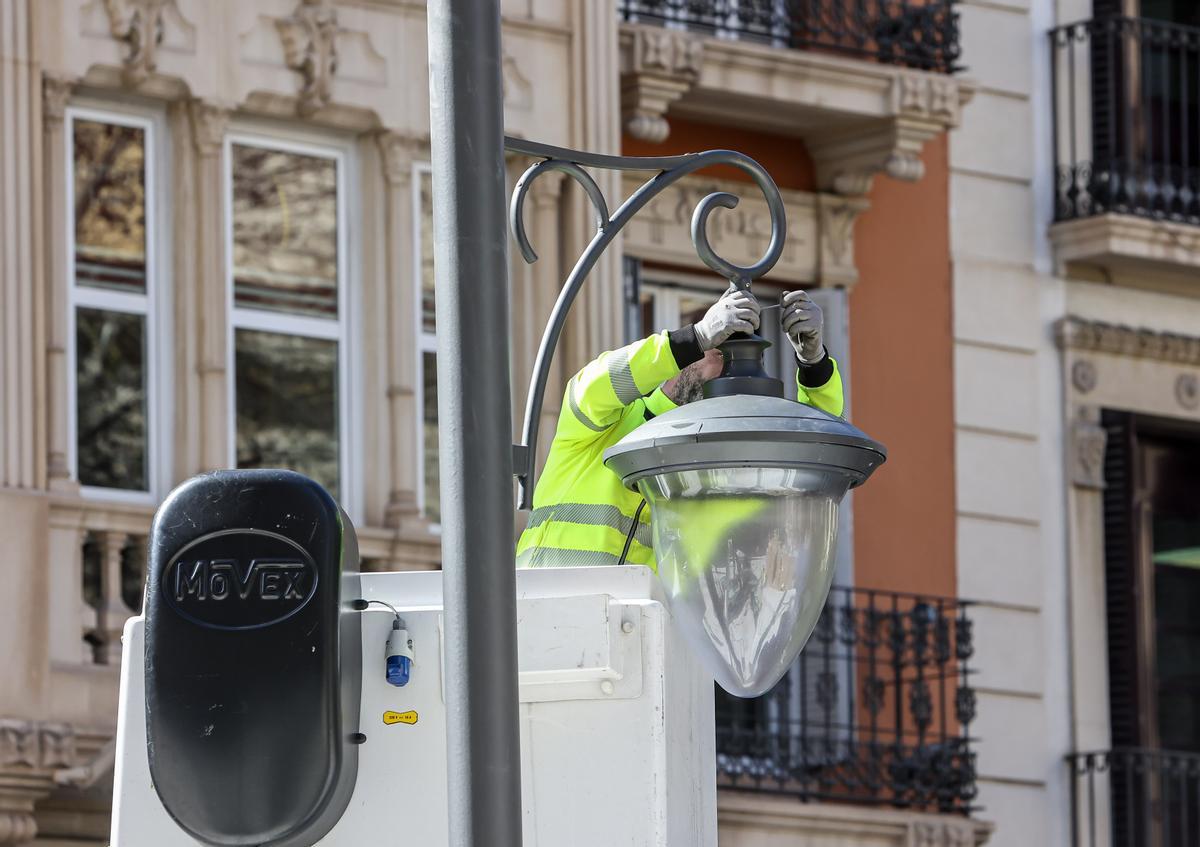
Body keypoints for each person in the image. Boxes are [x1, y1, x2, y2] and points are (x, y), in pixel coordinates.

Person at [515, 286, 844, 570]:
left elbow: (814, 451)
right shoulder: (606, 423)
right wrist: (695, 337)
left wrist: (813, 363)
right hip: (547, 617)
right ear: (685, 358)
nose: (727, 370)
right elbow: (593, 385)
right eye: (718, 351)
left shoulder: (719, 475)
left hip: (635, 635)